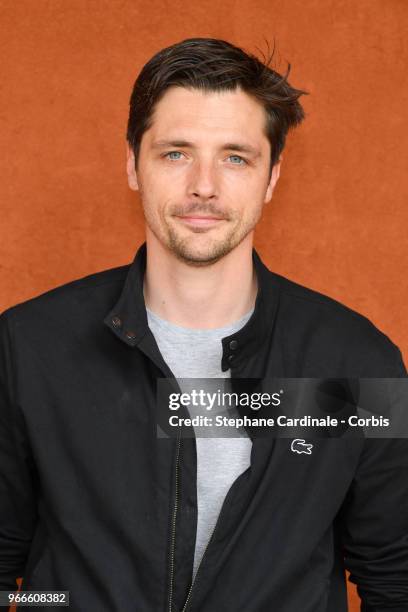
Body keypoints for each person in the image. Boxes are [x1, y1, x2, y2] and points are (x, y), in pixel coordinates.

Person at [0, 37, 406, 612]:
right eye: (176, 153)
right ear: (132, 164)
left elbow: (395, 576)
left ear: (271, 177)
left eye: (235, 157)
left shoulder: (358, 362)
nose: (204, 186)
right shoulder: (28, 347)